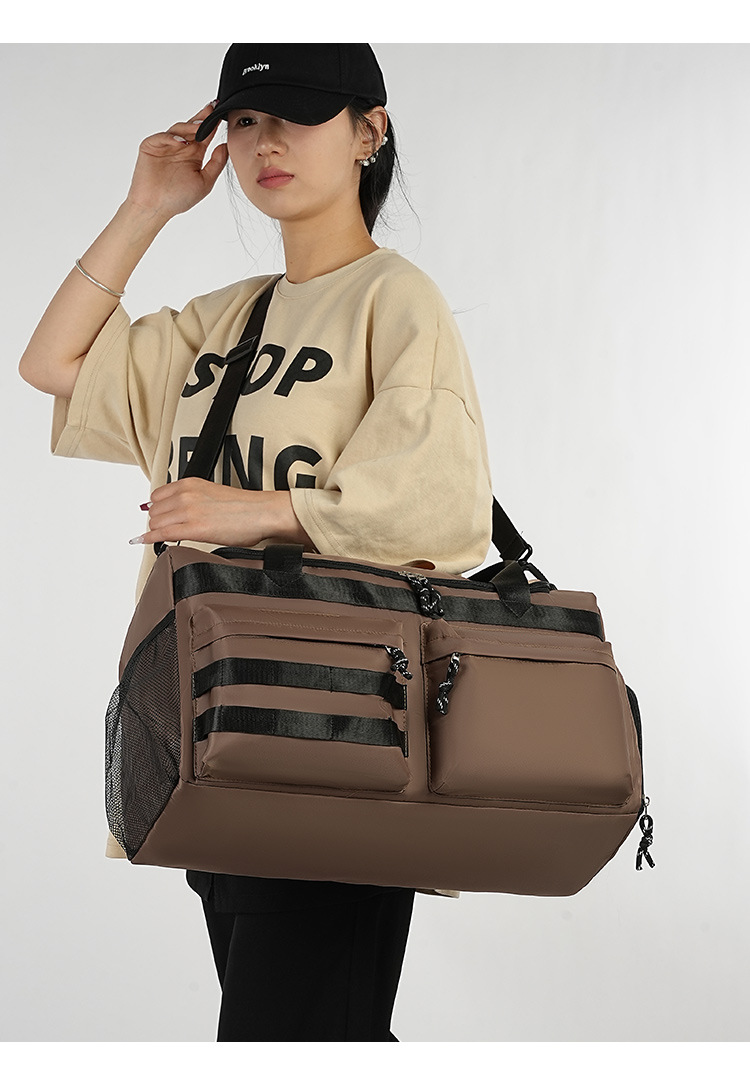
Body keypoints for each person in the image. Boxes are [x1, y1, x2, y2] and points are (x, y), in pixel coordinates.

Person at [19, 43, 493, 1042]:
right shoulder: (229, 320)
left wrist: (256, 511)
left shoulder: (395, 299)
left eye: (297, 114)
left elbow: (438, 501)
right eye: (243, 120)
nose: (264, 142)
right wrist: (146, 205)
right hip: (216, 724)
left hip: (340, 733)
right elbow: (51, 361)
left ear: (369, 131)